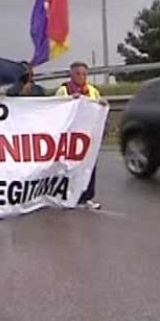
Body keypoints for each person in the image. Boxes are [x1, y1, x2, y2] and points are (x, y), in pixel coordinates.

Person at [55, 61, 105, 210]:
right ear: (71, 74)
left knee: (89, 165)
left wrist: (102, 104)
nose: (81, 77)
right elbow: (57, 108)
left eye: (84, 74)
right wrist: (71, 101)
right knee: (68, 167)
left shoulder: (92, 90)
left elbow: (97, 105)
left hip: (86, 135)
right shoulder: (63, 90)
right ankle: (67, 195)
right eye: (78, 74)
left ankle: (87, 197)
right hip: (70, 136)